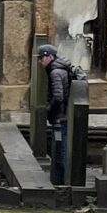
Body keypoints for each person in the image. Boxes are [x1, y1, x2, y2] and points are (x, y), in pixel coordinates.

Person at [38, 44, 73, 189]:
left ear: (50, 57)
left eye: (42, 58)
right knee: (60, 148)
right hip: (61, 115)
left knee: (61, 150)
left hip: (60, 116)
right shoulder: (58, 70)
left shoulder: (55, 72)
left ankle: (62, 181)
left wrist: (49, 109)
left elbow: (58, 96)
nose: (40, 61)